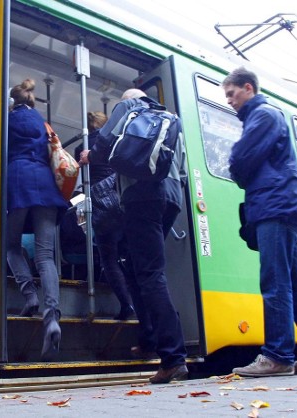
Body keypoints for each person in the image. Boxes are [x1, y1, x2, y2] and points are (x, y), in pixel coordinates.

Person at [222, 67, 297, 377]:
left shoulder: (263, 115)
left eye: (232, 94)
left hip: (274, 207)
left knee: (275, 282)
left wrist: (235, 167)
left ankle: (278, 355)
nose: (230, 101)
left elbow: (240, 159)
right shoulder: (265, 116)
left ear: (248, 88)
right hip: (283, 206)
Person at [80, 89, 188, 384]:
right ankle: (151, 338)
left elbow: (104, 143)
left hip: (141, 195)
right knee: (134, 267)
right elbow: (183, 169)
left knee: (150, 274)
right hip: (171, 197)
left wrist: (92, 155)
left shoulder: (128, 106)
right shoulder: (170, 118)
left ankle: (173, 358)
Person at [6, 79, 68, 361]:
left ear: (12, 102)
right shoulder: (44, 125)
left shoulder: (7, 120)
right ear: (31, 102)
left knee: (11, 245)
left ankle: (29, 295)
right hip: (46, 185)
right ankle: (51, 316)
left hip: (18, 181)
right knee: (46, 256)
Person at [78, 111, 135, 320]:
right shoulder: (117, 142)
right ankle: (139, 304)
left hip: (102, 206)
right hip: (123, 201)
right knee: (130, 257)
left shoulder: (82, 147)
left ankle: (126, 305)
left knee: (108, 259)